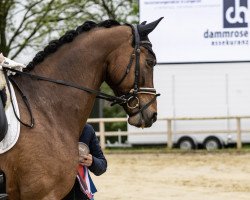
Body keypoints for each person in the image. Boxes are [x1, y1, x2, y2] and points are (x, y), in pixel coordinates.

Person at [64, 124, 107, 200]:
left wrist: (93, 161)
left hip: (83, 193)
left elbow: (102, 166)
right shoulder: (51, 128)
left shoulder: (87, 129)